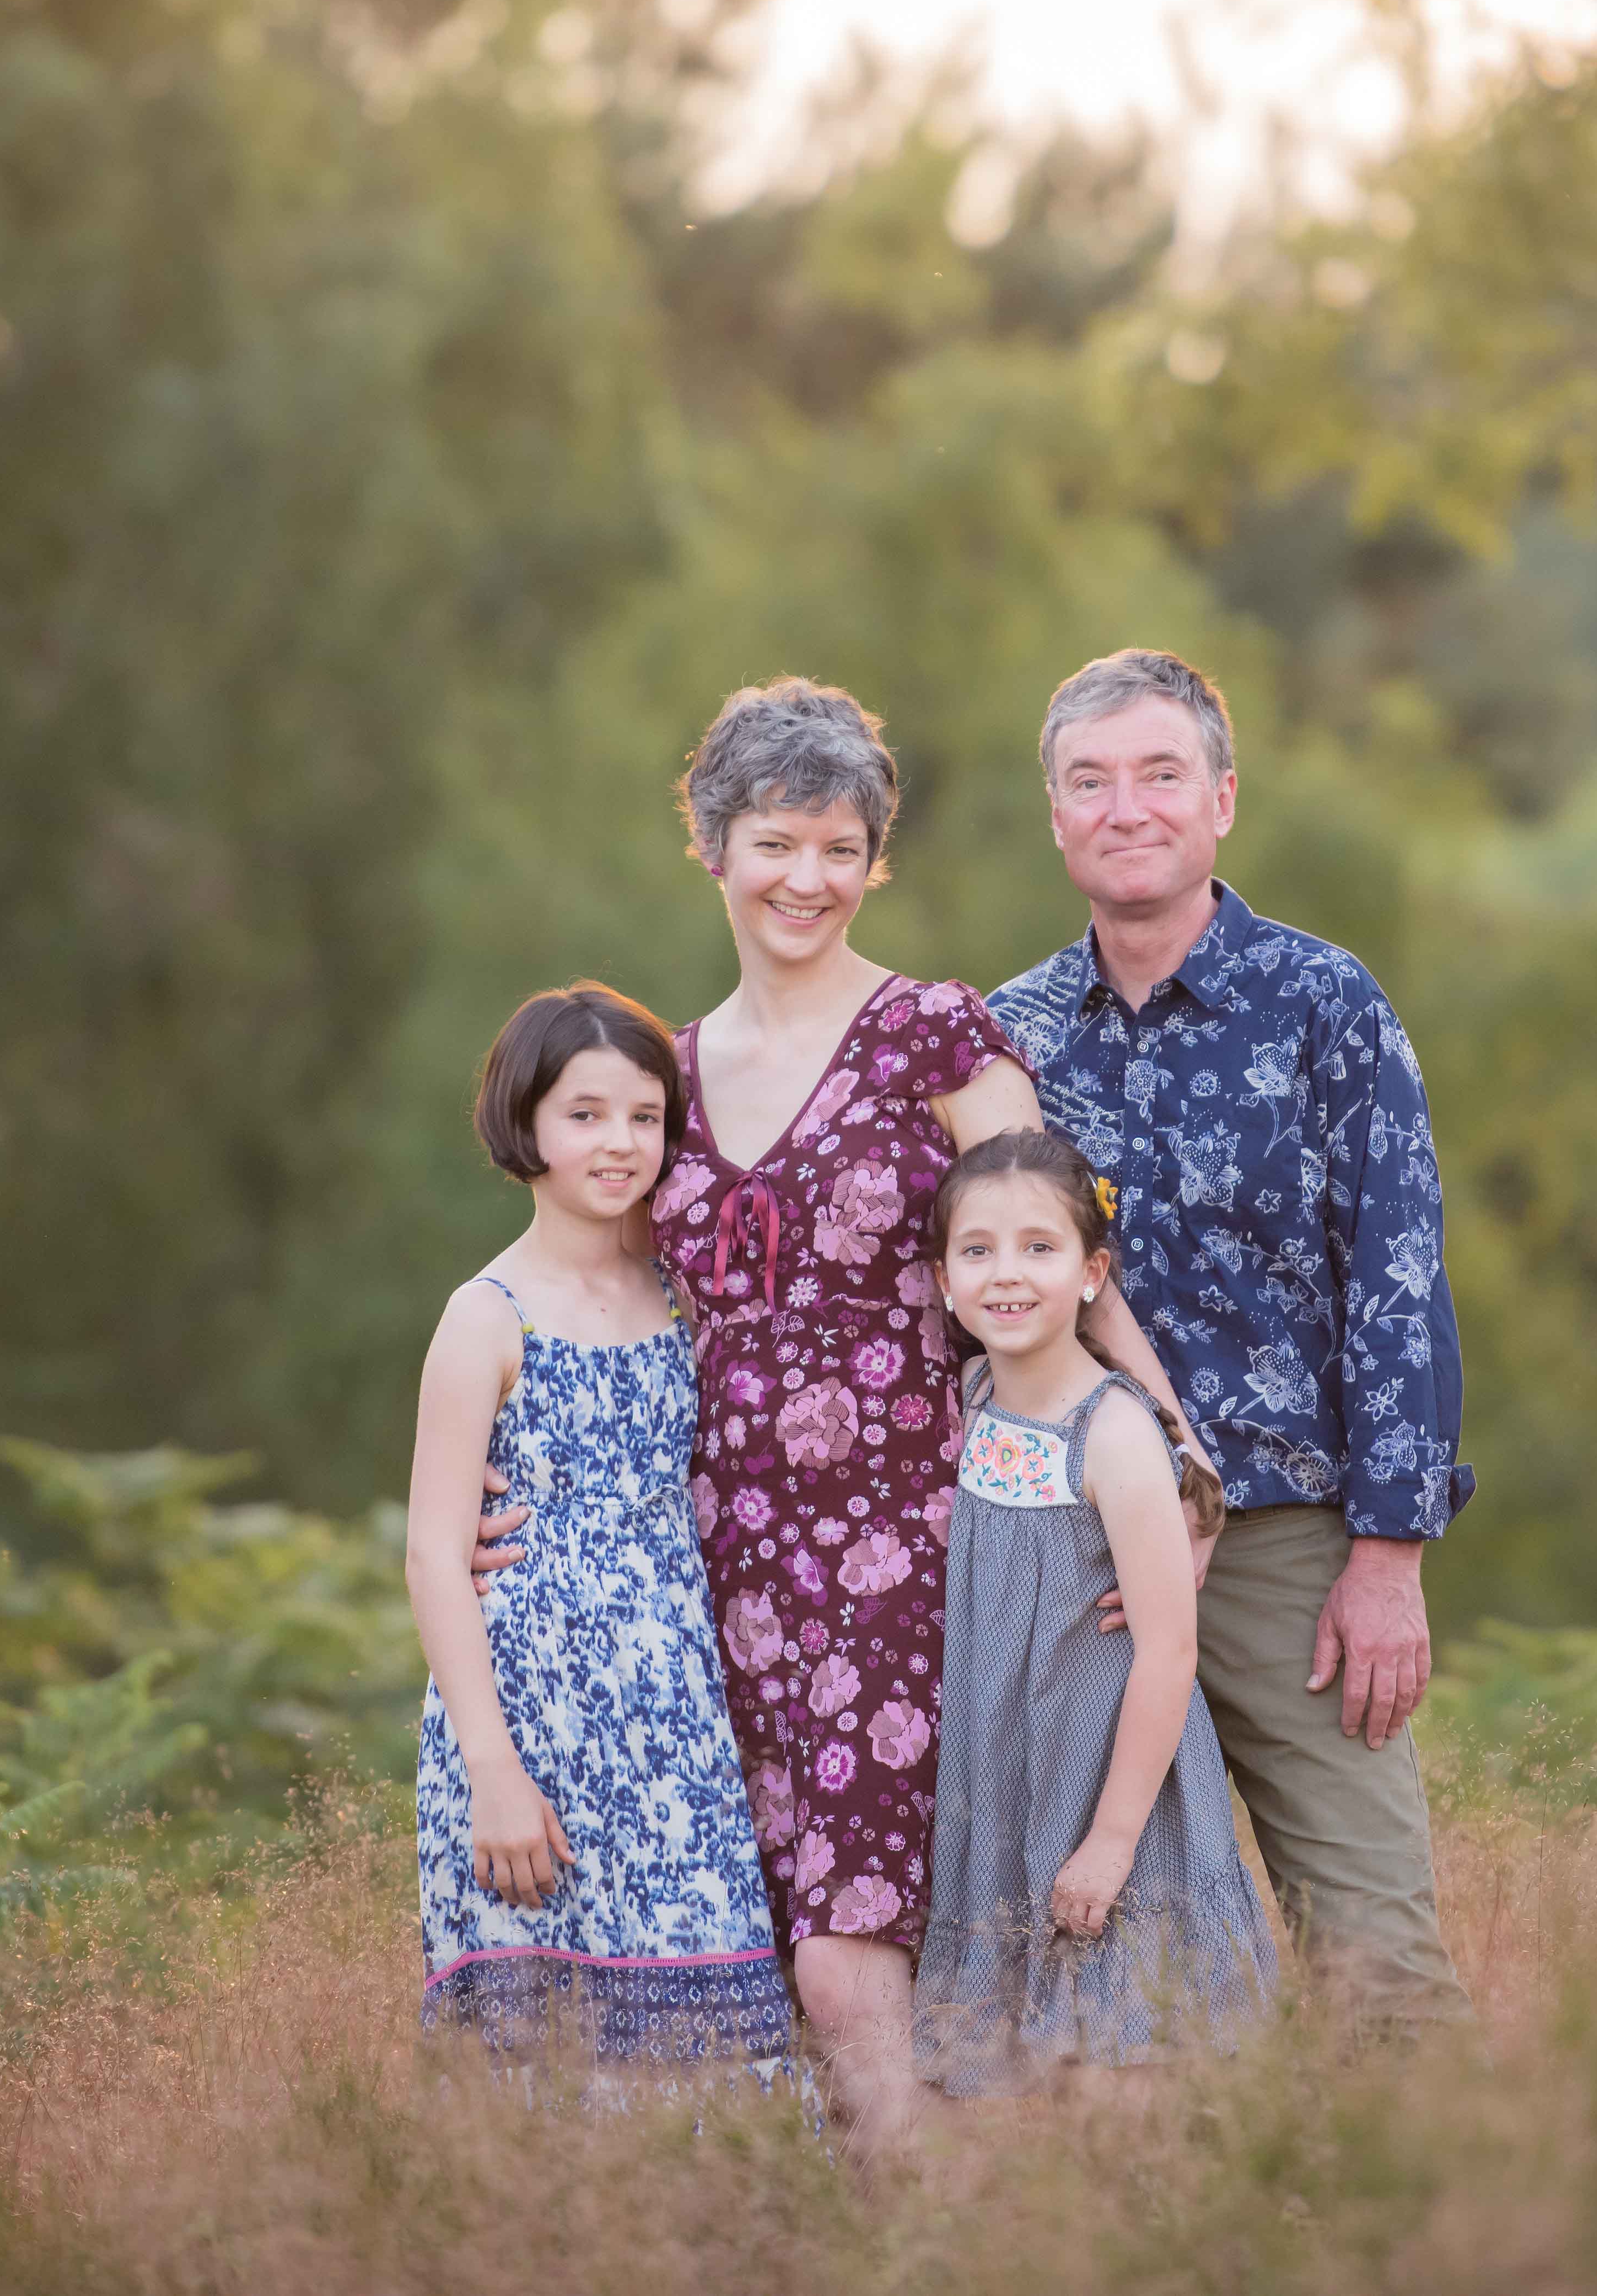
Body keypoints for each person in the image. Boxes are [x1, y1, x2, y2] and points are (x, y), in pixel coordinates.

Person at [623, 677, 1211, 2156]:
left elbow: (1055, 1236)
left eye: (840, 846)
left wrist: (1155, 1430)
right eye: (775, 842)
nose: (805, 878)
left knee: (847, 1946)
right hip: (720, 1565)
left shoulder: (932, 1034)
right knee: (770, 1948)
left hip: (902, 1540)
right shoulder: (667, 1079)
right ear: (710, 846)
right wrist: (515, 1489)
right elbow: (604, 1303)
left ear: (876, 859)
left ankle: (919, 2234)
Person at [986, 649, 1478, 2032]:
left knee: (1377, 1951)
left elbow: (1398, 1283)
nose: (1125, 805)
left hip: (1282, 1547)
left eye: (1159, 774)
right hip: (1070, 1547)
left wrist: (1388, 1554)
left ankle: (1451, 2221)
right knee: (1080, 1946)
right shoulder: (1005, 1038)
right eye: (1090, 780)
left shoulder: (1325, 1003)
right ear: (1055, 813)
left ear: (1222, 799)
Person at [401, 983, 796, 2084]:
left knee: (715, 2027)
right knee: (543, 2053)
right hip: (529, 1718)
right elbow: (435, 1552)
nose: (618, 1141)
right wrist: (493, 1770)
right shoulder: (487, 1313)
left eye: (643, 1114)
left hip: (674, 1719)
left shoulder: (677, 1289)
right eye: (584, 1114)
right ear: (524, 1120)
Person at [912, 1127, 1277, 2099]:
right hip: (1008, 1779)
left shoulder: (1111, 1432)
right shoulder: (976, 1394)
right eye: (976, 1251)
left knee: (1132, 2074)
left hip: (1113, 1789)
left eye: (1040, 1247)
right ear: (943, 1281)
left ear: (1090, 1272)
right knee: (1020, 2087)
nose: (1006, 1275)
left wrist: (1112, 1840)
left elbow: (1167, 1652)